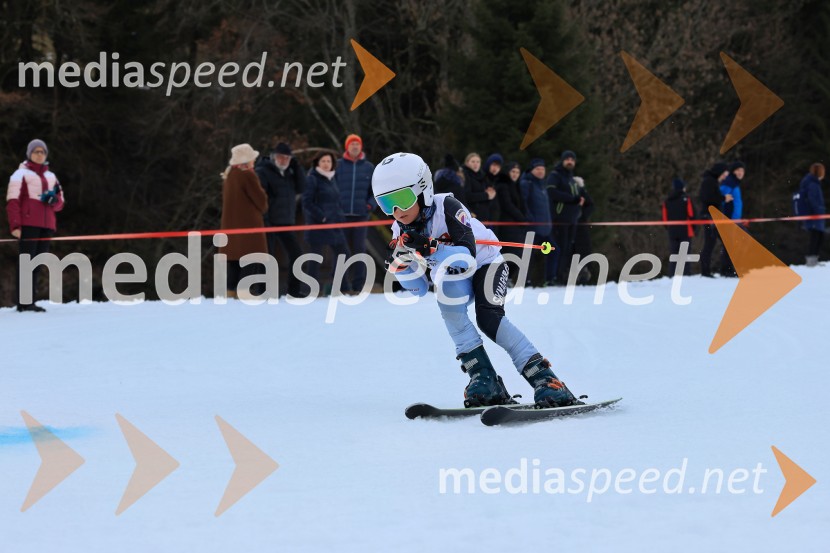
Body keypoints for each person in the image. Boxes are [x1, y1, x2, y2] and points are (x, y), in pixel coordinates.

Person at [372, 152, 582, 408]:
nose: (396, 211)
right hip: (451, 272)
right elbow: (417, 289)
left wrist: (430, 249)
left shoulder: (448, 207)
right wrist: (402, 268)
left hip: (486, 263)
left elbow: (467, 257)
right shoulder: (399, 228)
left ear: (422, 189)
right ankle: (484, 378)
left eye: (402, 200)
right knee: (449, 309)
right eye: (385, 204)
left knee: (488, 317)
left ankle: (546, 379)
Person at [6, 139, 64, 312]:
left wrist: (54, 201)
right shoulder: (20, 174)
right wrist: (15, 226)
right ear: (29, 154)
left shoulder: (51, 176)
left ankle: (30, 300)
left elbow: (61, 202)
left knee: (37, 263)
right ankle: (23, 302)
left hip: (47, 225)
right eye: (36, 151)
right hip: (28, 223)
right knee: (26, 262)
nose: (39, 155)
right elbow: (12, 202)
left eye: (42, 152)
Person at [255, 142, 305, 297]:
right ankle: (263, 291)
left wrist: (296, 167)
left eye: (286, 158)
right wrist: (265, 219)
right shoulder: (263, 171)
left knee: (296, 253)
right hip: (268, 222)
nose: (283, 161)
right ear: (273, 157)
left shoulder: (290, 173)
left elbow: (303, 187)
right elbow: (260, 197)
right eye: (280, 157)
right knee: (266, 257)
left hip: (286, 221)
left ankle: (294, 291)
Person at [219, 144, 269, 298]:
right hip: (249, 226)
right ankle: (244, 292)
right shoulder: (248, 175)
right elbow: (261, 202)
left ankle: (231, 292)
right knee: (252, 257)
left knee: (234, 261)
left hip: (230, 226)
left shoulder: (229, 176)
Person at [304, 151, 351, 294]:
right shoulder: (312, 179)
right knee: (315, 259)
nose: (326, 164)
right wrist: (322, 217)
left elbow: (336, 201)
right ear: (317, 163)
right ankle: (310, 290)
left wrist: (340, 216)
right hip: (318, 225)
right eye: (323, 161)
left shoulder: (333, 178)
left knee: (344, 254)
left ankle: (342, 287)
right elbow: (307, 202)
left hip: (334, 224)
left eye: (329, 161)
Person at [335, 134, 375, 292]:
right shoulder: (338, 165)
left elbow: (375, 192)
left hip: (361, 215)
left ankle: (359, 285)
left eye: (357, 144)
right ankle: (341, 284)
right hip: (341, 215)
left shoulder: (369, 167)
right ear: (347, 147)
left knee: (359, 249)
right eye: (351, 144)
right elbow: (332, 187)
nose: (354, 147)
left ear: (361, 147)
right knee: (341, 250)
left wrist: (370, 206)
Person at [546, 150, 585, 284]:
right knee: (560, 248)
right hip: (559, 219)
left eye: (572, 159)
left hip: (572, 220)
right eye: (567, 159)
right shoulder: (555, 175)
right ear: (562, 161)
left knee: (568, 249)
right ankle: (554, 277)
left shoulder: (571, 178)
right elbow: (551, 192)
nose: (570, 161)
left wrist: (579, 203)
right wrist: (573, 199)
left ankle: (563, 277)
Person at [519, 158, 554, 285]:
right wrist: (529, 218)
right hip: (532, 226)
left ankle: (547, 279)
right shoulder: (526, 183)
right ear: (532, 170)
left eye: (542, 169)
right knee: (528, 254)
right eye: (537, 169)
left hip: (544, 228)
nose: (540, 171)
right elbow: (524, 202)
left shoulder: (543, 184)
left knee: (552, 251)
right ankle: (524, 280)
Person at [495, 160, 527, 281]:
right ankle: (503, 278)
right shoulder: (503, 185)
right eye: (513, 171)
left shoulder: (517, 185)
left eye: (517, 172)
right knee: (509, 253)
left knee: (518, 253)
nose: (515, 174)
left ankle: (507, 278)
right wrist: (521, 218)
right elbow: (507, 204)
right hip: (507, 224)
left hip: (517, 225)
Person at [698, 162, 729, 277]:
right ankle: (705, 271)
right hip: (709, 217)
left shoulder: (711, 181)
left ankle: (725, 269)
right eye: (724, 174)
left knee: (719, 242)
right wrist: (723, 198)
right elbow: (707, 197)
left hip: (713, 216)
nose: (725, 177)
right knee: (709, 244)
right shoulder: (709, 181)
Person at [661, 178, 696, 276]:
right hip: (685, 230)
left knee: (674, 254)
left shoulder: (667, 201)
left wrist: (669, 228)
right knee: (685, 254)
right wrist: (694, 228)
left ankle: (672, 275)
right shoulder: (686, 199)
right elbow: (692, 214)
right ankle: (686, 274)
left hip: (672, 231)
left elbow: (664, 218)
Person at [718, 161, 745, 277]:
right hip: (729, 219)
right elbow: (722, 200)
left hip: (735, 219)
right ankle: (728, 270)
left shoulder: (734, 183)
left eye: (742, 170)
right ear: (733, 171)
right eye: (738, 170)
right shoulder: (729, 182)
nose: (740, 173)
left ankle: (728, 269)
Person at [798, 163, 826, 266]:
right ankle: (811, 261)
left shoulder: (811, 183)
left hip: (815, 215)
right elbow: (813, 200)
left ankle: (814, 260)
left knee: (819, 236)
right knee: (816, 237)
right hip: (815, 216)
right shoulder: (813, 184)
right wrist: (819, 210)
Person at [572, 175, 595, 284]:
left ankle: (583, 271)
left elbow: (590, 205)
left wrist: (581, 215)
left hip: (581, 226)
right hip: (568, 225)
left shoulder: (582, 192)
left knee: (584, 249)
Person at [461, 152, 495, 221]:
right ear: (467, 163)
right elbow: (467, 196)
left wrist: (492, 192)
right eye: (473, 161)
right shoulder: (464, 175)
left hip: (485, 215)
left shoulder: (482, 175)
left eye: (478, 162)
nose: (476, 164)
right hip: (472, 215)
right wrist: (486, 195)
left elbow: (489, 190)